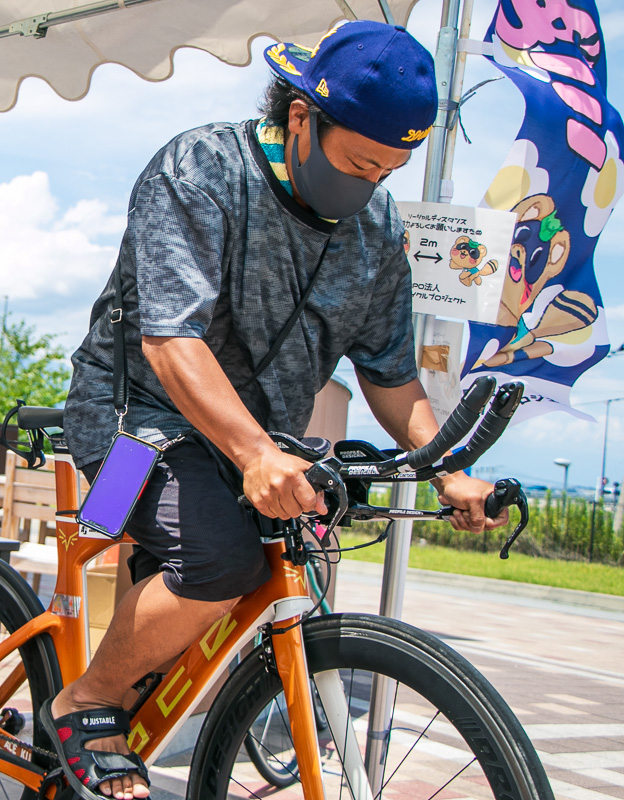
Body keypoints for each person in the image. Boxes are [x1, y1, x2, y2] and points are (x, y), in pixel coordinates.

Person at [42, 21, 510, 800]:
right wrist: (256, 455)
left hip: (257, 445)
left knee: (233, 566)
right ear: (301, 117)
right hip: (128, 421)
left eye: (390, 169)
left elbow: (392, 378)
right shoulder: (202, 169)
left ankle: (121, 712)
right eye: (360, 161)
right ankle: (83, 704)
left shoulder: (377, 229)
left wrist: (446, 466)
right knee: (219, 560)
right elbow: (170, 340)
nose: (371, 185)